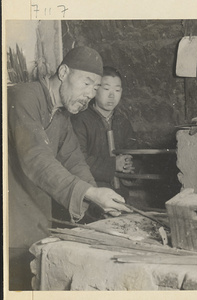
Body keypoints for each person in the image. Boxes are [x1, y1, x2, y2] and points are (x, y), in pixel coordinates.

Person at [7, 47, 131, 290]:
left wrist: (97, 199)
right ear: (63, 72)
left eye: (95, 88)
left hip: (36, 221)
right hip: (10, 222)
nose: (89, 94)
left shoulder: (61, 115)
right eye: (86, 83)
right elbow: (36, 158)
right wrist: (91, 194)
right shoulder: (23, 98)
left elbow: (74, 161)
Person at [71, 66, 138, 199]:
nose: (112, 95)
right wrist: (114, 165)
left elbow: (134, 153)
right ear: (95, 89)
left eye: (117, 90)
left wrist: (130, 167)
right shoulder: (80, 120)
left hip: (120, 194)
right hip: (92, 194)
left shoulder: (123, 122)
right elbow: (77, 160)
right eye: (106, 89)